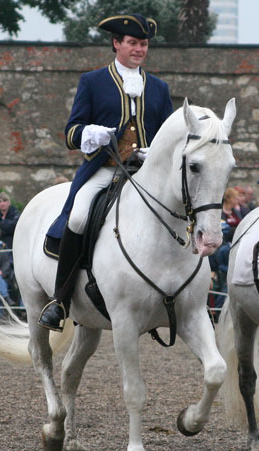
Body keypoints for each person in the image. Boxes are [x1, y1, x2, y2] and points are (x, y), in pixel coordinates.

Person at [39, 13, 174, 331]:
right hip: (104, 169)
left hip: (145, 174)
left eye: (143, 44)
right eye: (133, 43)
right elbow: (71, 133)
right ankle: (60, 300)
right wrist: (91, 133)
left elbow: (168, 134)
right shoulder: (93, 81)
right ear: (116, 43)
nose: (139, 49)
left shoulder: (159, 87)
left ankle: (185, 295)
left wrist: (157, 150)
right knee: (78, 218)